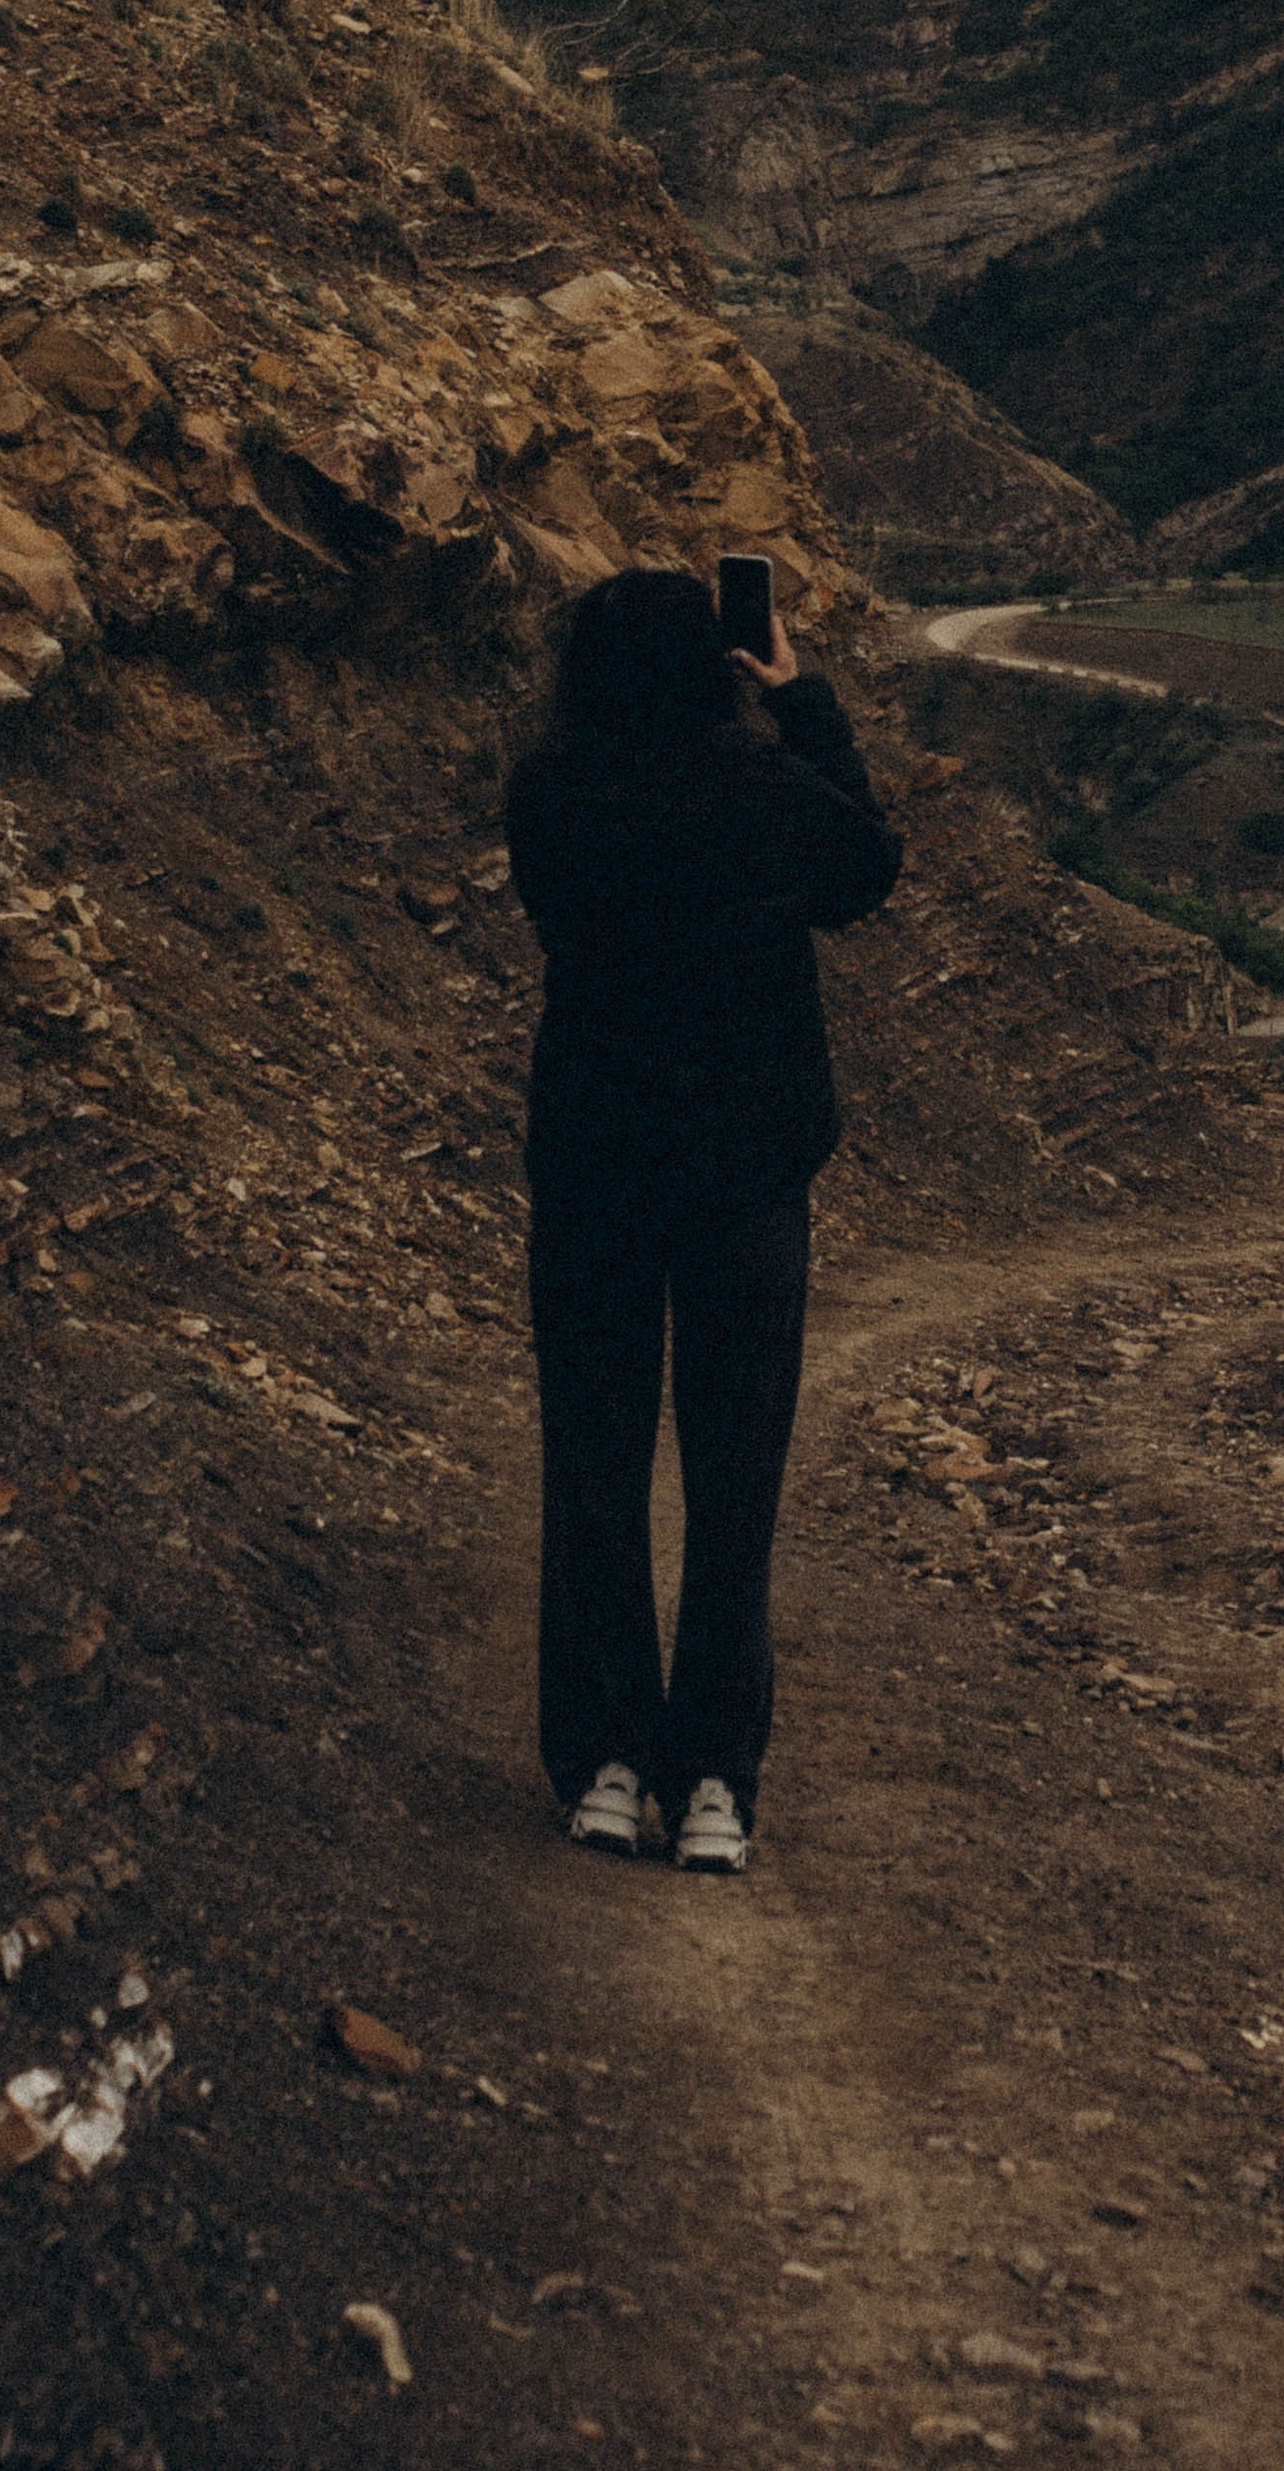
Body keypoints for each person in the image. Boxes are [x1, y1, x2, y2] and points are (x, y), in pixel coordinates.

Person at [504, 566, 901, 1874]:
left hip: (595, 1170)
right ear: (715, 664)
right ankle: (718, 1781)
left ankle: (607, 1766)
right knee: (736, 1482)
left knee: (595, 1468)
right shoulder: (763, 790)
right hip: (746, 1177)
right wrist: (801, 700)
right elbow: (866, 869)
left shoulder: (548, 793)